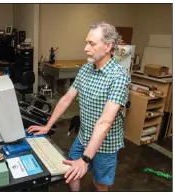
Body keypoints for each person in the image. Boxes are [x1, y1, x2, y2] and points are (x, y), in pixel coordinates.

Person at [27, 21, 131, 192]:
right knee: (71, 171)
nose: (85, 48)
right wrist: (48, 125)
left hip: (106, 145)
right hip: (83, 137)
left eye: (91, 43)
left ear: (108, 46)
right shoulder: (85, 69)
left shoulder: (118, 77)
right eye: (86, 42)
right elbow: (67, 98)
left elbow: (105, 122)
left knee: (99, 183)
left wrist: (85, 159)